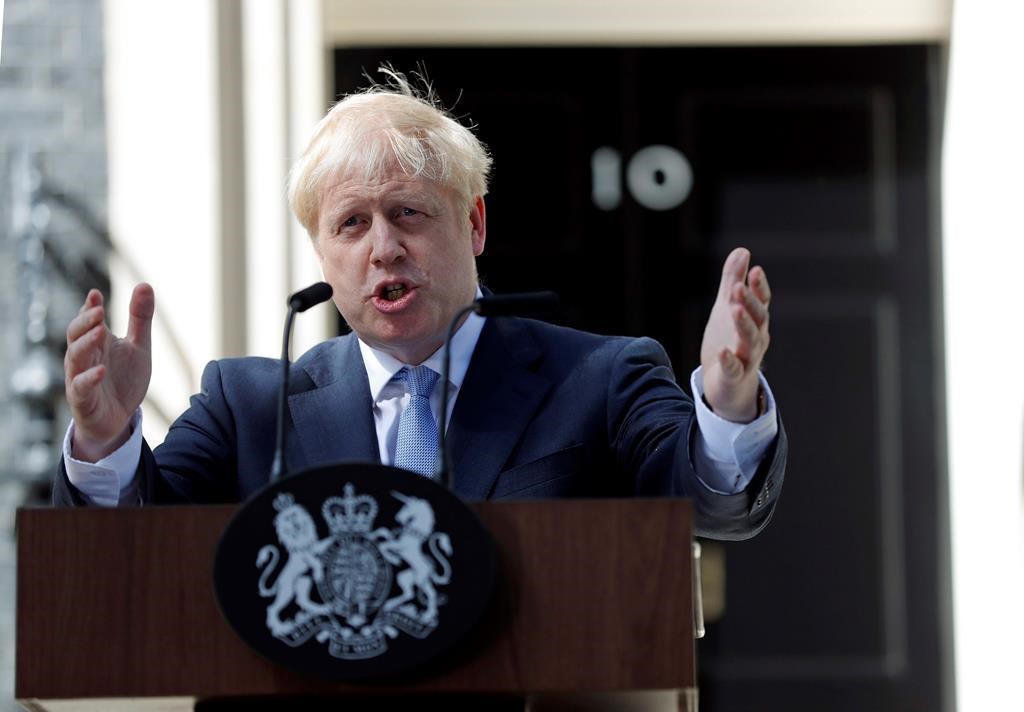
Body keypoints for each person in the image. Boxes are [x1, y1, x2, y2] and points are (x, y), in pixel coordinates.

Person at [54, 70, 786, 539]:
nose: (384, 249)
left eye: (408, 213)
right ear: (321, 255)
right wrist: (105, 442)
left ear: (474, 224)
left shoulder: (601, 378)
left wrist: (724, 404)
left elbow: (710, 507)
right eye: (351, 224)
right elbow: (131, 551)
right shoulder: (245, 406)